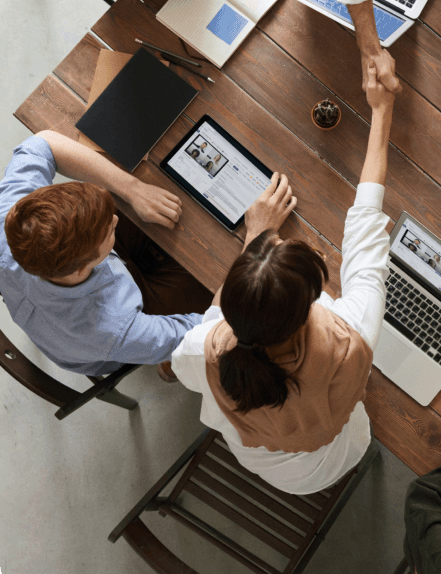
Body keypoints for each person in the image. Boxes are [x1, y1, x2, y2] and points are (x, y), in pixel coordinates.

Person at [170, 65, 395, 494]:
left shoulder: (204, 349)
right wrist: (382, 112)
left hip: (269, 465)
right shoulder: (351, 336)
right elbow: (367, 230)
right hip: (336, 454)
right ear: (310, 306)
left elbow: (208, 326)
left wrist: (254, 236)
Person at [0, 131, 209, 377]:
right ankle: (168, 364)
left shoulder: (17, 219)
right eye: (108, 231)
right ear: (81, 268)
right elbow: (206, 334)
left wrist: (133, 189)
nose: (116, 219)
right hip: (111, 342)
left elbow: (43, 141)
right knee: (214, 290)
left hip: (63, 304)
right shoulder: (113, 330)